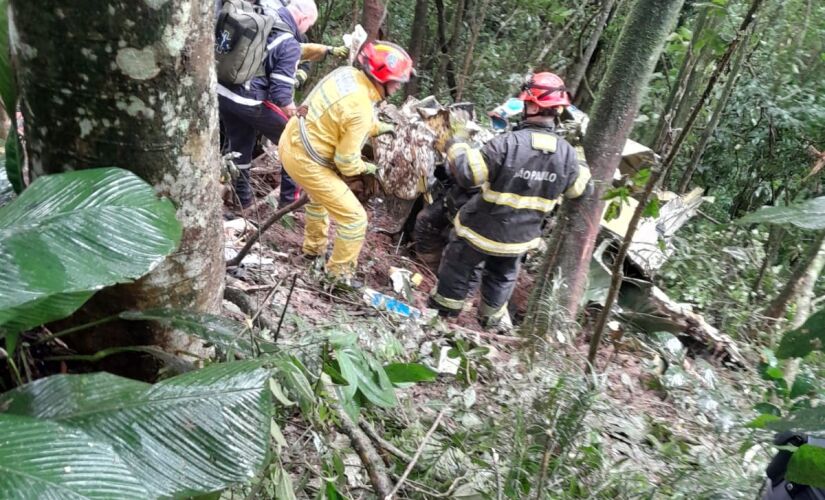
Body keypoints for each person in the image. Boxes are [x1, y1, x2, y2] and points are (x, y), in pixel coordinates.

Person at [427, 72, 592, 332]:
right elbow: (579, 190)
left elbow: (469, 175)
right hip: (519, 240)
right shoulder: (568, 155)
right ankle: (491, 328)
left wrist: (456, 144)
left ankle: (441, 322)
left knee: (458, 269)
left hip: (479, 231)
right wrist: (579, 155)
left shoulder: (506, 144)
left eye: (527, 103)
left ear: (534, 105)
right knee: (502, 277)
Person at [278, 40, 413, 284]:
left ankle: (313, 249)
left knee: (319, 200)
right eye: (397, 81)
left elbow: (346, 115)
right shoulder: (360, 107)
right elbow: (347, 163)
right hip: (307, 159)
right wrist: (370, 168)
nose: (399, 86)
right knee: (354, 220)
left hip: (292, 139)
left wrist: (379, 128)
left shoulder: (349, 75)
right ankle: (338, 278)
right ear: (382, 78)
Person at [217, 0, 318, 209]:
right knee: (296, 139)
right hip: (247, 100)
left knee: (239, 147)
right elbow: (281, 96)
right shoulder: (288, 42)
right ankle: (289, 203)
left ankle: (241, 202)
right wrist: (296, 115)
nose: (307, 29)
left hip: (223, 93)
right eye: (309, 25)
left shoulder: (263, 16)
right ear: (303, 18)